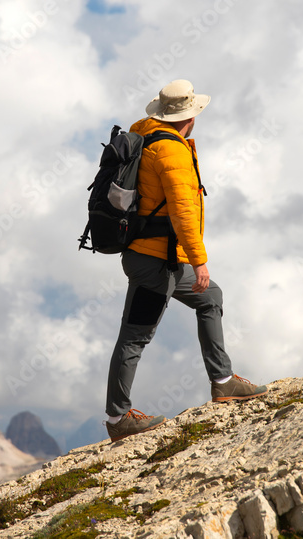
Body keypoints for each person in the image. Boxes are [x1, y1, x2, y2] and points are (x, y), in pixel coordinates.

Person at [105, 79, 266, 443]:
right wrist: (201, 261)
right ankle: (118, 418)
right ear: (189, 118)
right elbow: (182, 212)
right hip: (156, 261)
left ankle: (223, 382)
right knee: (135, 336)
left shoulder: (143, 134)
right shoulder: (173, 152)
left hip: (151, 254)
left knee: (210, 297)